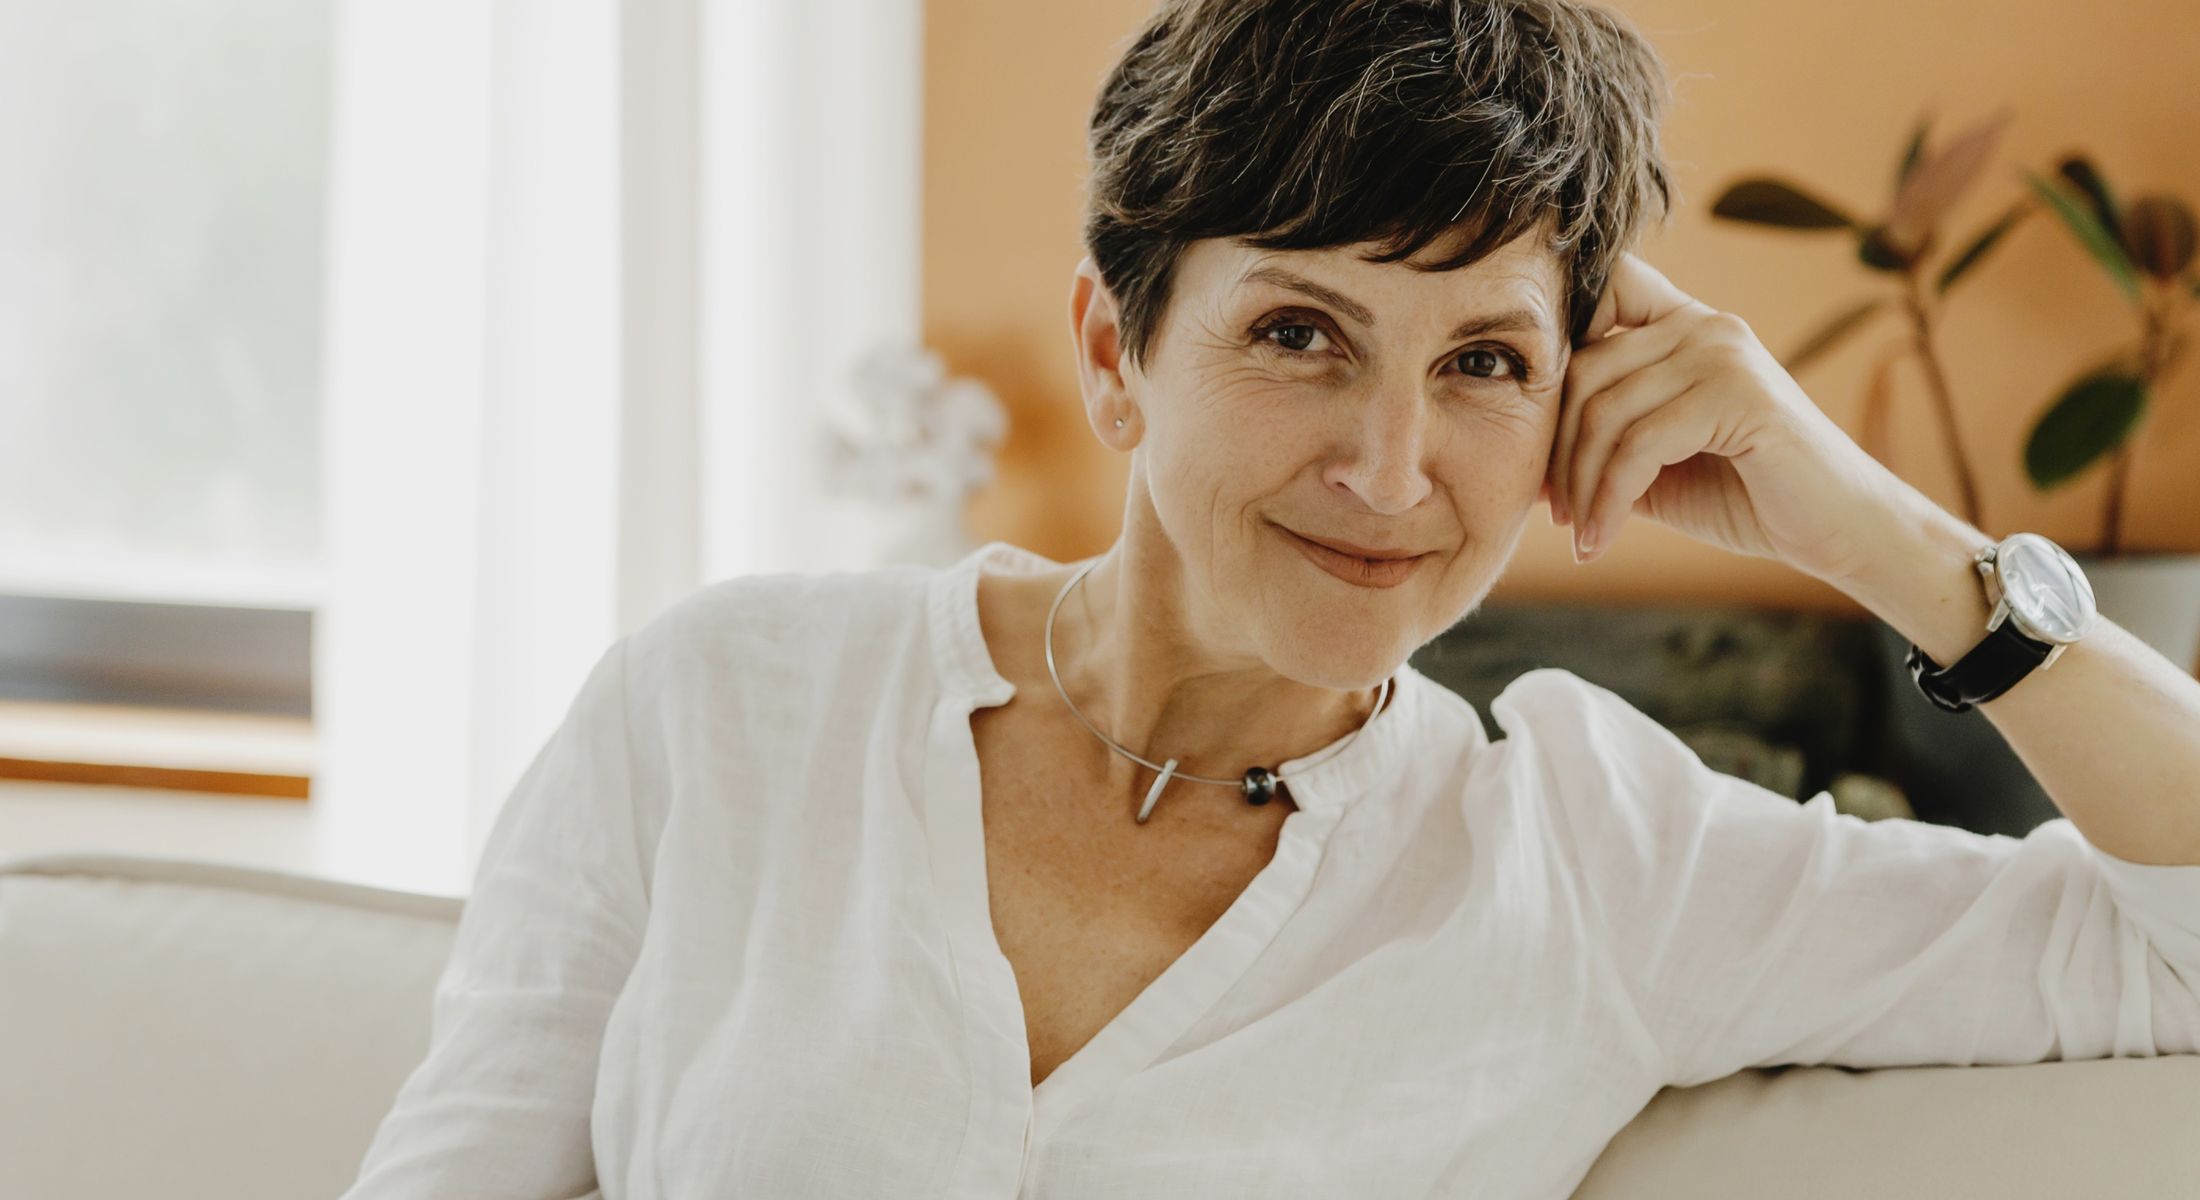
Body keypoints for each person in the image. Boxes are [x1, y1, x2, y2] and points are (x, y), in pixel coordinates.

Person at [340, 0, 2200, 1196]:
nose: (1392, 470)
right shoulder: (725, 704)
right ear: (1115, 345)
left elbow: (2166, 949)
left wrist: (1872, 528)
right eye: (1300, 332)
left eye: (1484, 362)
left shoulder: (1593, 860)